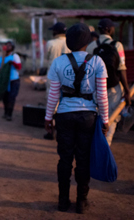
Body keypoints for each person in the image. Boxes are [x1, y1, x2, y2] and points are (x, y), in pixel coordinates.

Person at [45, 23, 109, 214]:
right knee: (83, 159)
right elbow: (102, 95)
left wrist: (48, 117)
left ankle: (63, 201)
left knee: (64, 159)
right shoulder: (97, 62)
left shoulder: (58, 62)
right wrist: (105, 119)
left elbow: (53, 94)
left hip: (64, 115)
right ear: (88, 41)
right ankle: (81, 201)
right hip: (88, 116)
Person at [86, 18, 131, 146]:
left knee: (96, 118)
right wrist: (127, 91)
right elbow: (121, 68)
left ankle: (93, 146)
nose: (114, 29)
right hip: (113, 89)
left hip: (95, 88)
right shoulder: (117, 45)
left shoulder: (90, 47)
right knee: (110, 120)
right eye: (112, 27)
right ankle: (105, 146)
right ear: (108, 29)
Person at [44, 22, 70, 140]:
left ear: (55, 32)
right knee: (65, 102)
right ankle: (64, 131)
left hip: (53, 75)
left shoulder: (50, 43)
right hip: (67, 76)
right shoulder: (70, 43)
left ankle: (51, 131)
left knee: (52, 102)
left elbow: (47, 57)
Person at [0, 41, 21, 121]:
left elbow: (19, 67)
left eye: (9, 46)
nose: (7, 47)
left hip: (13, 80)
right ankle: (6, 112)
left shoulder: (14, 56)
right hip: (4, 81)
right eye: (6, 45)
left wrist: (13, 63)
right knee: (5, 97)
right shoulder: (1, 58)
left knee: (11, 97)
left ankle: (9, 114)